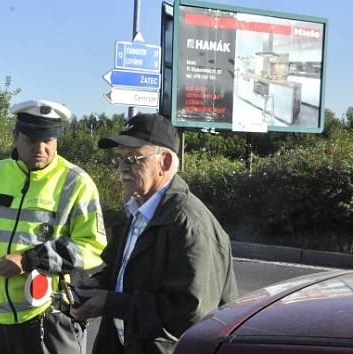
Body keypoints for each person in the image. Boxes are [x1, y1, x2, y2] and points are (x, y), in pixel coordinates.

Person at [71, 113, 238, 354]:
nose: (121, 169)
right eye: (119, 158)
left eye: (132, 158)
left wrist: (111, 303)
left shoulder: (189, 224)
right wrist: (87, 287)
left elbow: (189, 312)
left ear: (166, 162)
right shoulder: (136, 209)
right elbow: (122, 275)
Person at [0, 99, 107, 354]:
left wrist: (30, 260)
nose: (40, 148)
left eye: (48, 140)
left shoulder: (76, 183)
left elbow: (93, 248)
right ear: (15, 137)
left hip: (51, 319)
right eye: (31, 139)